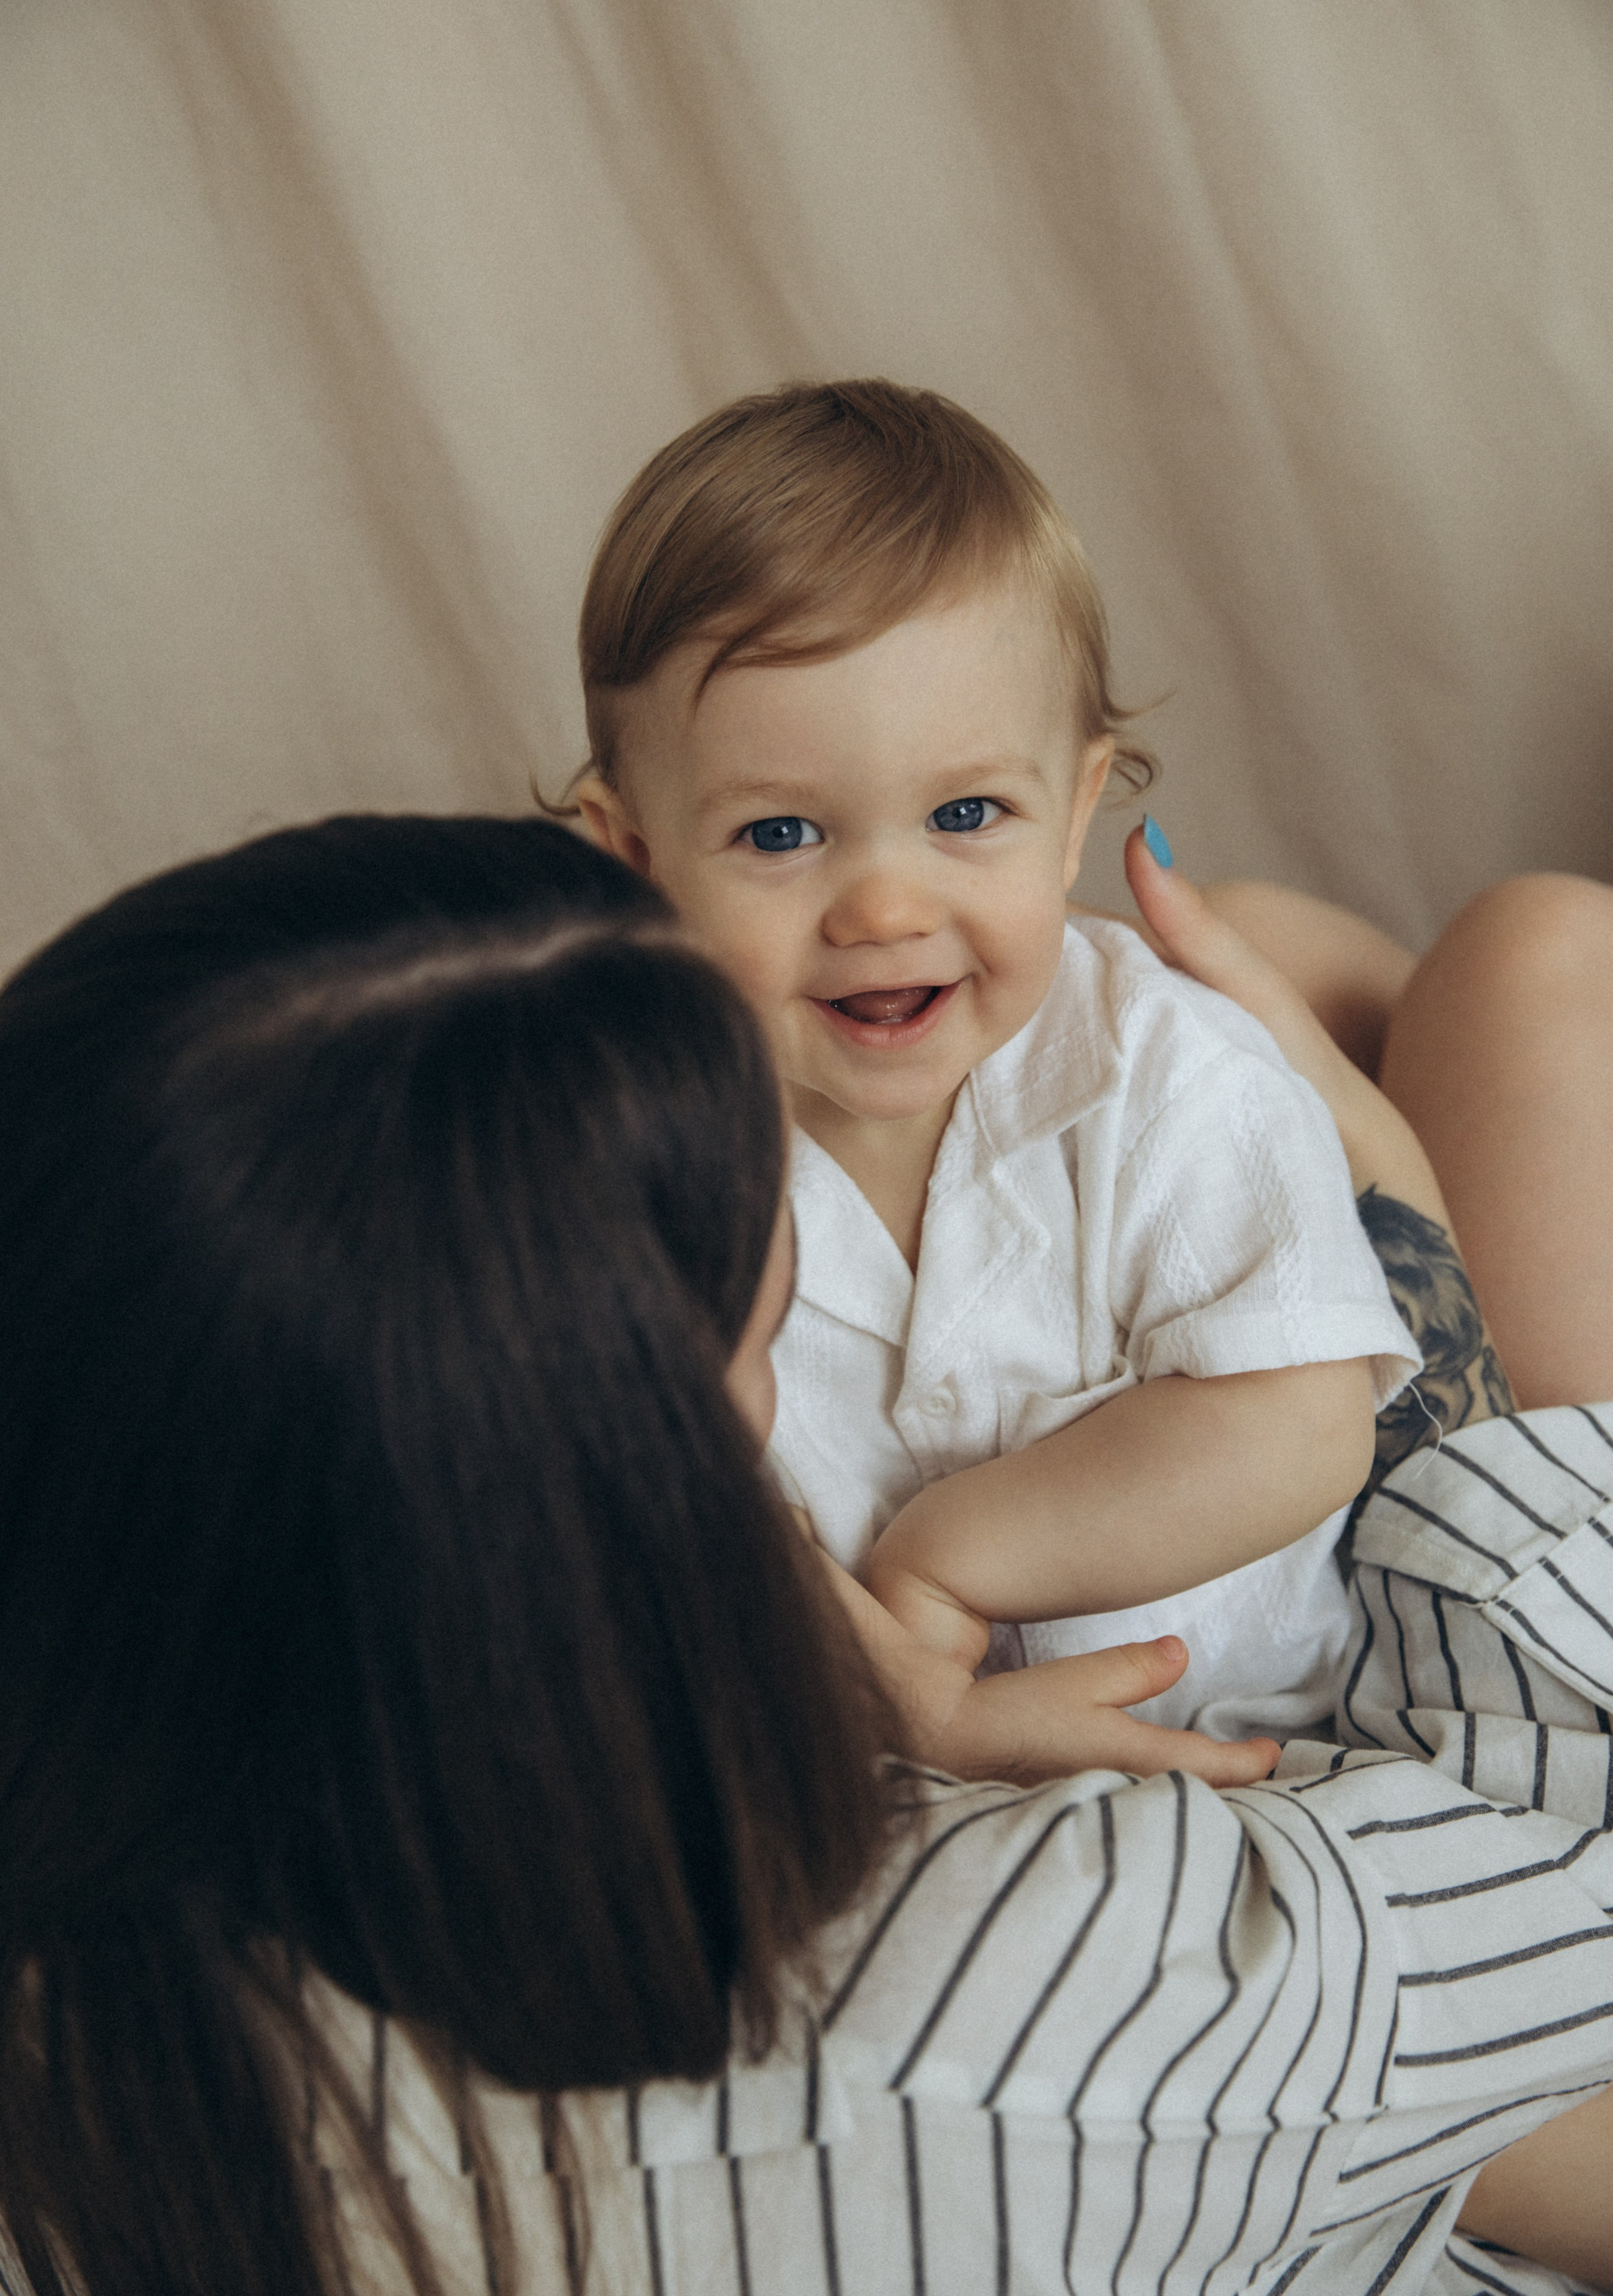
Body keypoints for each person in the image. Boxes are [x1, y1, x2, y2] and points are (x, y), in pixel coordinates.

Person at [6, 811, 1613, 2294]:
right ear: (656, 1464)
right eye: (778, 1313)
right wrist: (1386, 1234)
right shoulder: (1042, 1969)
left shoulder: (102, 2020)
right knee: (1526, 974)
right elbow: (1559, 1903)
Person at [571, 377, 1420, 1763]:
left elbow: (1303, 1416)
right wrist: (911, 1693)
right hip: (869, 1754)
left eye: (966, 815)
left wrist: (950, 1559)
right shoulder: (631, 1158)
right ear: (633, 861)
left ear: (1077, 809)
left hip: (1271, 1737)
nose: (884, 910)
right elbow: (679, 1493)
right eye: (781, 837)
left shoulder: (1159, 1070)